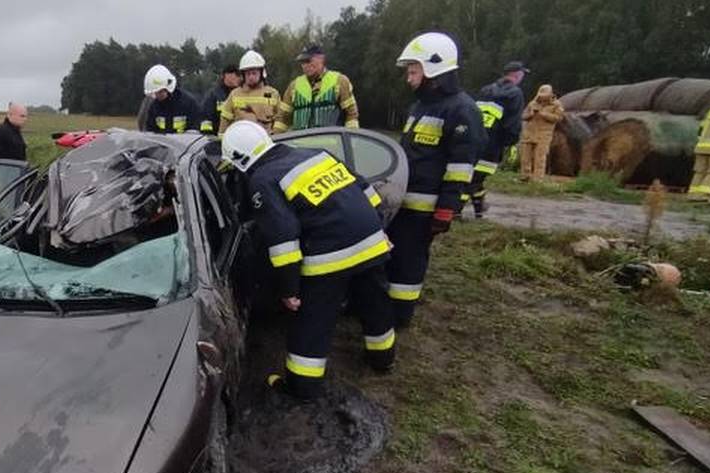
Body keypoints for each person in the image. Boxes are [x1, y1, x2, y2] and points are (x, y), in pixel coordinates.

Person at [221, 120, 395, 399]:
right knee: (374, 302)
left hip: (331, 256)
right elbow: (365, 189)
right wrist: (380, 229)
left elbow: (283, 238)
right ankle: (383, 359)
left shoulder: (262, 179)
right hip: (372, 241)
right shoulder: (314, 153)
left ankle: (302, 386)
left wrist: (289, 290)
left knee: (313, 320)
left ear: (241, 160)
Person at [388, 32, 484, 327]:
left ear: (434, 69)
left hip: (425, 208)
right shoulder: (420, 107)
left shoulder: (461, 109)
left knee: (409, 263)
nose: (409, 78)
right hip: (404, 203)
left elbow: (461, 167)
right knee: (394, 257)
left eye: (413, 70)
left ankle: (400, 315)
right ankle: (386, 305)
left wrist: (447, 208)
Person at [468, 61, 528, 217]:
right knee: (475, 179)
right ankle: (458, 211)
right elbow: (512, 122)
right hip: (494, 143)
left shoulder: (486, 90)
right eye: (522, 74)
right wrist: (511, 142)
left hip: (475, 138)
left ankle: (479, 207)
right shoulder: (515, 94)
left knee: (474, 176)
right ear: (517, 75)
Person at [278, 44, 360, 130]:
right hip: (300, 143)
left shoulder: (340, 81)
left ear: (321, 59)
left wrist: (351, 137)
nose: (305, 65)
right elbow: (282, 118)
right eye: (302, 62)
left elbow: (351, 114)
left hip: (331, 142)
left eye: (308, 61)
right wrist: (275, 140)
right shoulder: (293, 86)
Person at [219, 50, 285, 134]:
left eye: (254, 73)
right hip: (241, 141)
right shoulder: (235, 94)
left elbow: (280, 119)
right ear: (243, 75)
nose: (251, 77)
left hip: (266, 141)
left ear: (261, 73)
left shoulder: (273, 94)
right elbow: (225, 120)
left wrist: (276, 135)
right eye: (248, 74)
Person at [519, 84, 564, 180]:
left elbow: (559, 118)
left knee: (540, 157)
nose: (542, 98)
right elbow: (523, 115)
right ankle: (525, 176)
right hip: (529, 133)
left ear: (550, 94)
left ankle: (538, 178)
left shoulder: (556, 105)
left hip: (544, 134)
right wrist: (530, 114)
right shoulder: (532, 103)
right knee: (525, 156)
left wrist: (543, 114)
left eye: (545, 95)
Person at [142, 64, 203, 134]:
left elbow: (196, 130)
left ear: (168, 87)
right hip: (162, 144)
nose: (157, 95)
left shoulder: (189, 104)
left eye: (160, 92)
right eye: (154, 92)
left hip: (184, 144)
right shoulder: (154, 107)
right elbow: (150, 131)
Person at [688, 106, 710, 201]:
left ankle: (692, 195)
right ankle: (701, 195)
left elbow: (700, 130)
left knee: (700, 172)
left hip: (701, 146)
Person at [200, 64, 241, 134]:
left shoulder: (242, 93)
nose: (239, 78)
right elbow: (205, 118)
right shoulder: (213, 95)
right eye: (237, 75)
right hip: (218, 136)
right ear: (227, 75)